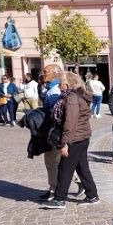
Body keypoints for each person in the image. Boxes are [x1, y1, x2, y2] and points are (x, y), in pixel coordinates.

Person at [44, 72, 99, 209]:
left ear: (67, 84)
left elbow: (70, 122)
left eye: (61, 83)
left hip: (75, 138)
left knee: (65, 168)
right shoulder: (78, 95)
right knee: (82, 168)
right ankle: (92, 195)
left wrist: (65, 143)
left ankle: (59, 199)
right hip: (82, 136)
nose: (60, 86)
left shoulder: (72, 98)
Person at [38, 64, 65, 201]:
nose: (43, 74)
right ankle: (53, 188)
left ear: (55, 74)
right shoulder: (49, 89)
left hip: (54, 132)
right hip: (50, 131)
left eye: (46, 72)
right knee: (52, 161)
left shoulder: (55, 90)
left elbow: (53, 113)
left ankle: (54, 189)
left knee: (53, 161)